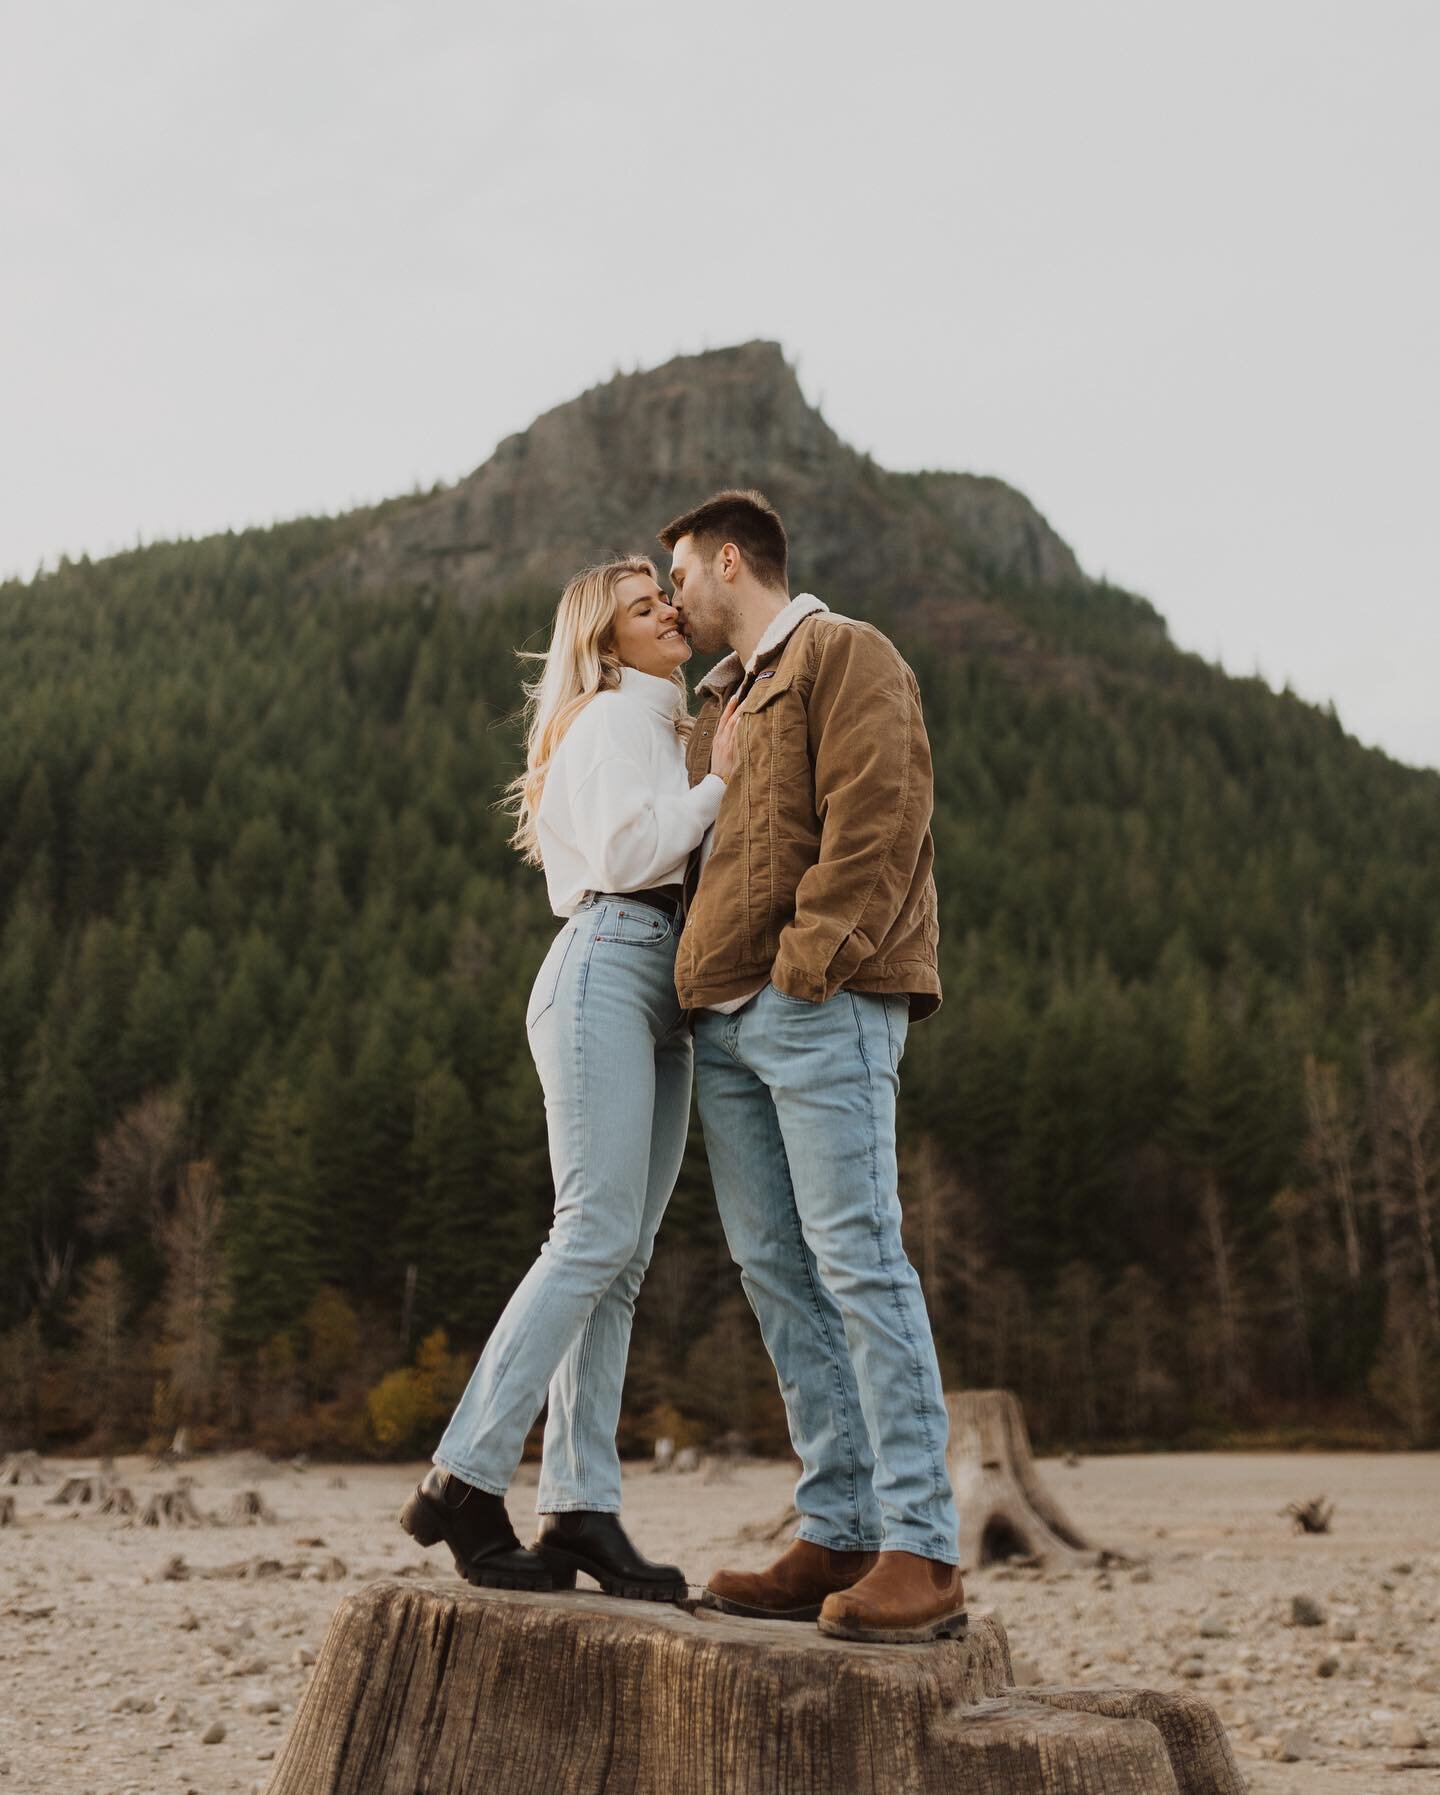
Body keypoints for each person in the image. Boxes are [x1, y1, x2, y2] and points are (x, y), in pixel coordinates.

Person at [399, 555, 741, 1600]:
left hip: (662, 984)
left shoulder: (657, 721)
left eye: (668, 598)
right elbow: (634, 850)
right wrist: (721, 776)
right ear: (607, 641)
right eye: (646, 607)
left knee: (622, 1258)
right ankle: (463, 1475)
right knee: (591, 1231)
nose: (669, 612)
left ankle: (581, 1505)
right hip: (605, 964)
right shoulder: (606, 723)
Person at [659, 489, 965, 1644]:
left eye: (680, 573)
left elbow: (881, 815)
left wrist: (806, 965)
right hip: (725, 1024)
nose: (675, 597)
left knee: (859, 1259)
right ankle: (837, 1524)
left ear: (729, 560)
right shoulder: (721, 701)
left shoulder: (844, 651)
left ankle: (924, 1547)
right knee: (776, 1271)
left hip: (818, 1005)